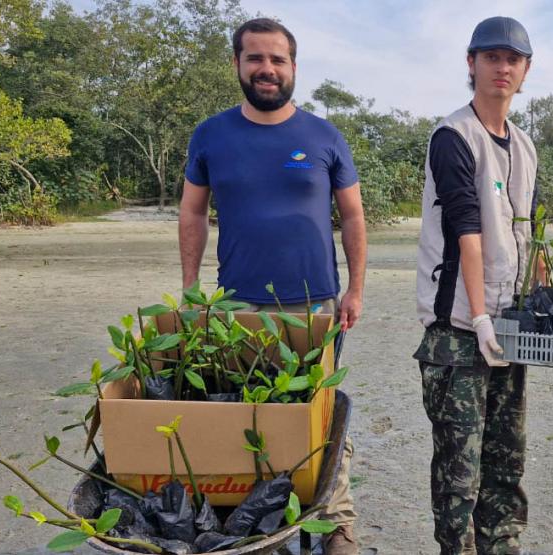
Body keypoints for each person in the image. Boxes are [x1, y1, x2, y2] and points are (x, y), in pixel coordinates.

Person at [178, 18, 366, 555]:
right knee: (246, 416)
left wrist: (355, 289)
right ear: (237, 64)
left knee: (321, 415)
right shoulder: (210, 135)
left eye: (277, 59)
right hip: (235, 306)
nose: (267, 69)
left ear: (293, 67)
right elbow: (192, 212)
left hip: (315, 306)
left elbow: (352, 216)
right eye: (255, 58)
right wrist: (190, 290)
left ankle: (336, 525)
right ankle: (260, 530)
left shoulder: (324, 136)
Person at [413, 16, 543, 555]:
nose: (502, 68)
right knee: (459, 475)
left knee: (506, 464)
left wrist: (543, 301)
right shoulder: (453, 136)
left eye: (513, 59)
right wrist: (481, 316)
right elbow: (467, 229)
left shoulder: (525, 145)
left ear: (526, 69)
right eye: (491, 57)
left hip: (509, 329)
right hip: (458, 332)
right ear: (472, 63)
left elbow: (530, 230)